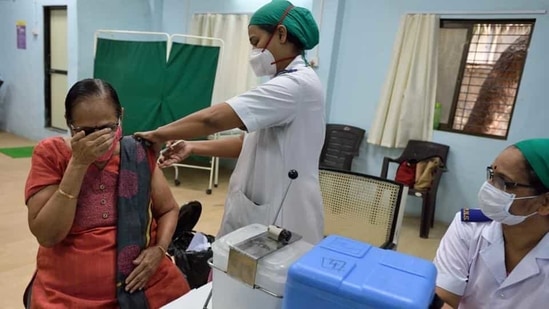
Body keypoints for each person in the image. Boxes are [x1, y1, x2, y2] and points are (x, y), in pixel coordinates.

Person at [135, 0, 325, 244]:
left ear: (281, 33)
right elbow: (243, 142)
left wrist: (157, 134)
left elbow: (213, 119)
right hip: (259, 205)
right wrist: (193, 147)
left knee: (266, 275)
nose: (254, 51)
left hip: (284, 212)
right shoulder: (284, 83)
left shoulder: (296, 85)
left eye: (256, 42)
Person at [24, 79, 189, 308]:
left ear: (120, 117)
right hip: (68, 292)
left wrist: (159, 250)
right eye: (86, 132)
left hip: (145, 280)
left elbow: (169, 209)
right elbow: (47, 235)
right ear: (69, 124)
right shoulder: (51, 155)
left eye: (106, 128)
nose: (98, 138)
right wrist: (78, 164)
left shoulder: (136, 155)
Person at [433, 138, 549, 308]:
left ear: (545, 203)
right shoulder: (468, 227)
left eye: (504, 182)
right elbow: (443, 300)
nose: (489, 187)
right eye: (491, 175)